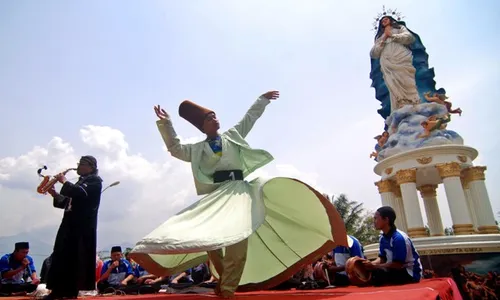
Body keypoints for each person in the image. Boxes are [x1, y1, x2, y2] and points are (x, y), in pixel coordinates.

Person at [129, 91, 348, 298]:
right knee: (212, 242)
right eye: (210, 118)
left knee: (238, 240)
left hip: (240, 193)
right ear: (203, 126)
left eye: (215, 116)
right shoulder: (197, 149)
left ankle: (227, 288)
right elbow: (175, 148)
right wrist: (166, 124)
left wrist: (262, 100)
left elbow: (249, 119)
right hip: (217, 197)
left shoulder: (232, 135)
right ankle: (224, 279)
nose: (215, 119)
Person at [44, 156, 103, 300]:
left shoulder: (94, 181)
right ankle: (58, 290)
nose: (78, 167)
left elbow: (80, 193)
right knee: (61, 255)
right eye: (79, 164)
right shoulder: (80, 182)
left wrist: (64, 181)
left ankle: (70, 290)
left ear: (91, 167)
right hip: (69, 224)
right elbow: (66, 202)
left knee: (76, 258)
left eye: (82, 164)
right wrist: (54, 193)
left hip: (82, 227)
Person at [370, 16, 420, 113]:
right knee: (392, 82)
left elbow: (409, 38)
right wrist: (384, 38)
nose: (384, 21)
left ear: (391, 20)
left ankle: (414, 103)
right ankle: (400, 105)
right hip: (387, 62)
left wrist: (392, 35)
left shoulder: (399, 28)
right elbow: (373, 53)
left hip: (401, 57)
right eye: (382, 21)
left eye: (386, 19)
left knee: (406, 79)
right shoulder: (380, 37)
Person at [362, 206, 422, 286]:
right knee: (372, 273)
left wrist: (375, 266)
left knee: (379, 274)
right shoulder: (382, 238)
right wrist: (370, 264)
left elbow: (398, 264)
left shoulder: (399, 238)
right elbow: (382, 258)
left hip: (409, 272)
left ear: (386, 220)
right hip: (393, 269)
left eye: (376, 218)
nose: (374, 222)